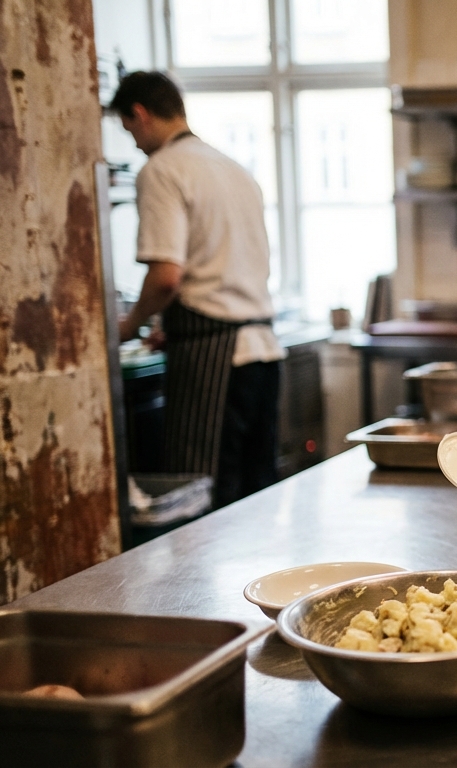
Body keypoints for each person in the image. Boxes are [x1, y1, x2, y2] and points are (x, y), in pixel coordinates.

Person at [112, 71, 283, 510]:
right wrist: (175, 328)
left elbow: (166, 277)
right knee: (257, 496)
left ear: (140, 114)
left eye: (129, 131)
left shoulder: (162, 169)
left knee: (206, 498)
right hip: (263, 352)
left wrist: (130, 326)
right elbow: (225, 267)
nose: (135, 144)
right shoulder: (233, 168)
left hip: (217, 360)